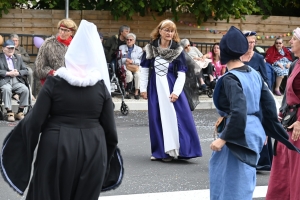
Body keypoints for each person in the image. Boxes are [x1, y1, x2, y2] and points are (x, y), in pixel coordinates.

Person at [0, 20, 122, 200]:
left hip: (56, 145)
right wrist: (106, 160)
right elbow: (111, 133)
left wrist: (20, 150)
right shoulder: (101, 88)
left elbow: (34, 123)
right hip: (93, 148)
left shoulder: (55, 83)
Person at [209, 26, 300, 200]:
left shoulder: (231, 78)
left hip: (237, 135)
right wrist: (266, 128)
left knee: (229, 185)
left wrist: (223, 138)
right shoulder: (253, 73)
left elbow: (239, 110)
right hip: (254, 132)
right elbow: (268, 105)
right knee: (244, 182)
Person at [140, 19, 202, 161]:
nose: (169, 33)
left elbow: (181, 73)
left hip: (172, 86)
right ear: (159, 31)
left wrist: (176, 92)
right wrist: (143, 88)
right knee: (156, 118)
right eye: (166, 30)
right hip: (155, 87)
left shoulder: (177, 50)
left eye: (171, 30)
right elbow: (143, 69)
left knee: (177, 117)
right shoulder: (150, 48)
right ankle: (161, 151)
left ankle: (180, 150)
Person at [266, 28, 300, 200]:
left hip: (298, 125)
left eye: (294, 39)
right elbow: (287, 95)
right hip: (289, 121)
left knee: (296, 169)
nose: (290, 42)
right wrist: (276, 121)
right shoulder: (295, 63)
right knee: (282, 167)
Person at [34, 18, 77, 85]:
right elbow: (40, 66)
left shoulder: (77, 45)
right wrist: (51, 72)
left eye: (66, 30)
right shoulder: (48, 43)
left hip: (73, 82)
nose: (62, 32)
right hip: (54, 82)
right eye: (61, 29)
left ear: (72, 32)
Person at [0, 39, 29, 122]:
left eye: (12, 48)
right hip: (4, 80)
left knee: (25, 89)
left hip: (16, 80)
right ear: (3, 49)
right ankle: (9, 112)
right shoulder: (0, 57)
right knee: (6, 89)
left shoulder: (18, 57)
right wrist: (8, 73)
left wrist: (18, 72)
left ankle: (20, 112)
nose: (11, 50)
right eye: (9, 48)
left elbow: (25, 69)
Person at [10, 33, 36, 101]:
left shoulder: (21, 49)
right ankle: (17, 94)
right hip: (14, 67)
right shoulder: (8, 48)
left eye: (16, 40)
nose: (15, 42)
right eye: (13, 40)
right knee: (16, 74)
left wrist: (21, 56)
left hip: (24, 66)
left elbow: (28, 59)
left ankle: (30, 93)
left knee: (30, 72)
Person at [119, 33, 143, 99]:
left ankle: (136, 92)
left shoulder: (139, 49)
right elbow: (119, 58)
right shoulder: (121, 47)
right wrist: (125, 60)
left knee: (138, 75)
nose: (129, 41)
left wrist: (132, 61)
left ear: (134, 41)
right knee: (129, 75)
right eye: (127, 39)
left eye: (130, 40)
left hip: (135, 66)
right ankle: (127, 92)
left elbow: (141, 60)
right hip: (126, 65)